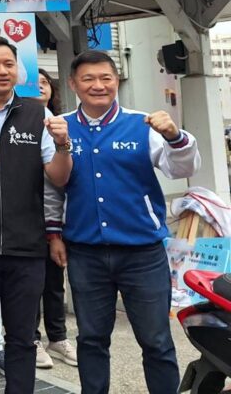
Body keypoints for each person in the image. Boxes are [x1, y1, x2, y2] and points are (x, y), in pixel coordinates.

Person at [47, 50, 200, 394]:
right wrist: (54, 233)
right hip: (85, 253)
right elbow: (53, 186)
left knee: (156, 340)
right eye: (88, 79)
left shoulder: (143, 124)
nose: (98, 85)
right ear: (72, 84)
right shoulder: (60, 126)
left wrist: (175, 136)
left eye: (106, 78)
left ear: (116, 80)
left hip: (142, 253)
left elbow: (182, 169)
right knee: (91, 339)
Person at [0, 36, 73, 394]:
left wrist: (64, 145)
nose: (2, 71)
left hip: (27, 246)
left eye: (9, 64)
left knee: (22, 337)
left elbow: (59, 177)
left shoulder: (38, 114)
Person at [34, 69, 77, 369]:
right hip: (25, 219)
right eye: (33, 82)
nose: (39, 87)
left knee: (53, 282)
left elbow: (56, 184)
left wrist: (55, 232)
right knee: (31, 285)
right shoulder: (20, 121)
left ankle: (58, 338)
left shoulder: (59, 125)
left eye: (45, 82)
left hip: (53, 219)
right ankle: (33, 339)